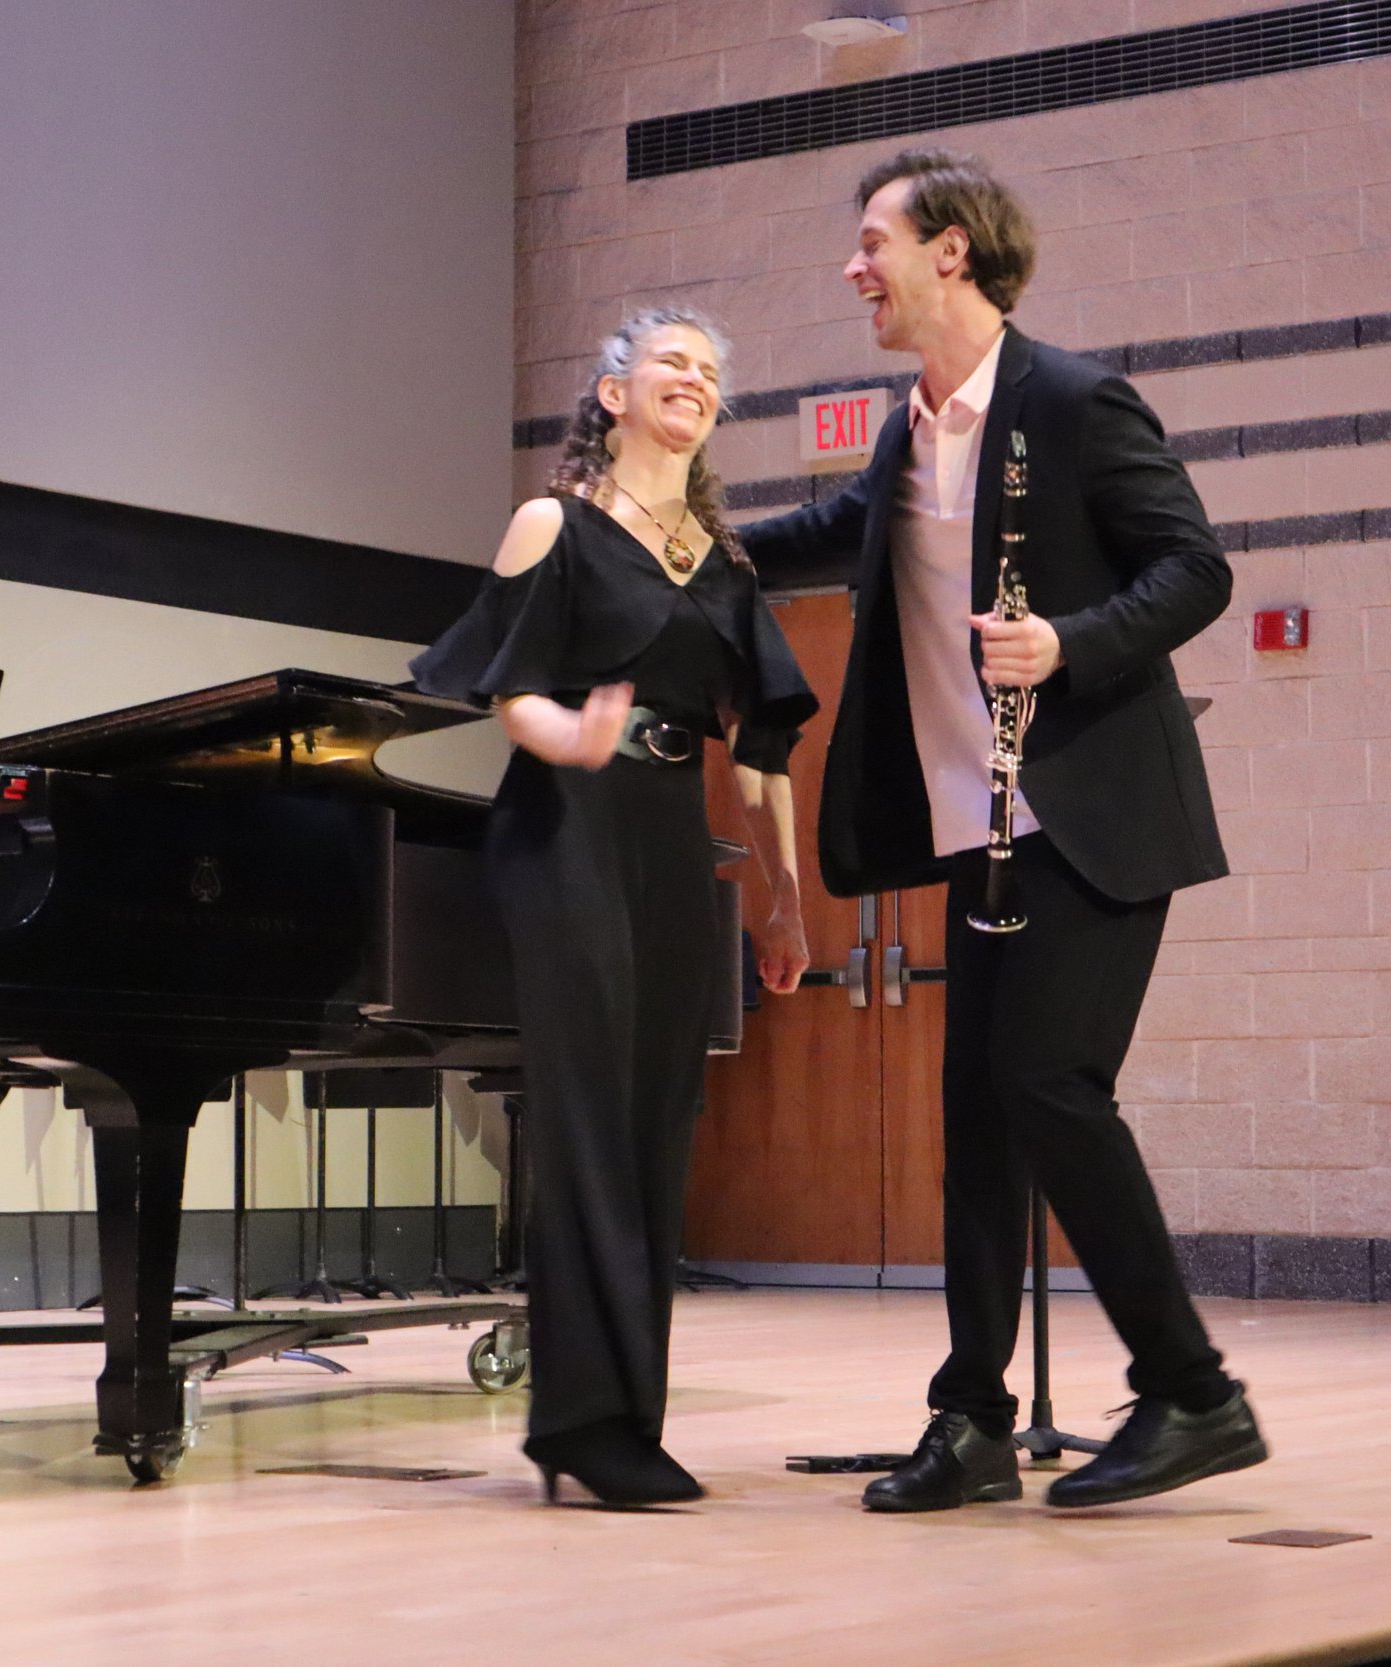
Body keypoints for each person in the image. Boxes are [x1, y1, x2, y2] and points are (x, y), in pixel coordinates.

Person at [741, 150, 1264, 1512]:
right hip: (981, 830)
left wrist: (1068, 641)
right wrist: (677, 543)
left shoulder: (1075, 401)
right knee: (976, 1118)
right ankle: (971, 1417)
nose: (854, 268)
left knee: (1046, 1084)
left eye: (873, 241)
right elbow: (833, 530)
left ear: (951, 250)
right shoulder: (908, 434)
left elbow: (1195, 567)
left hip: (1093, 817)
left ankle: (1194, 1391)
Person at [412, 306, 817, 1507]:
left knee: (657, 1119)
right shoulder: (557, 523)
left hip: (670, 841)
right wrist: (574, 739)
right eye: (669, 361)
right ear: (611, 393)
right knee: (589, 1118)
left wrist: (785, 899)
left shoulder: (723, 562)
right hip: (565, 828)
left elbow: (760, 751)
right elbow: (510, 691)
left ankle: (628, 1415)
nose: (693, 377)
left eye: (709, 369)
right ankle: (585, 1423)